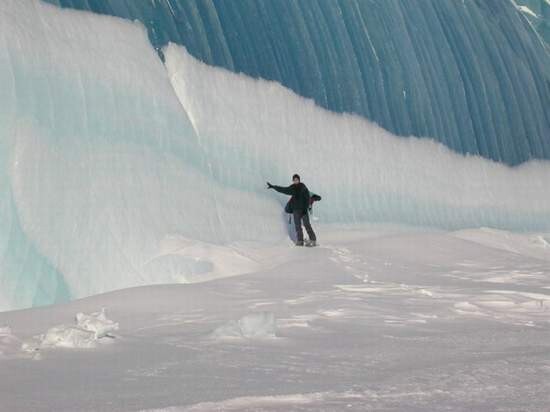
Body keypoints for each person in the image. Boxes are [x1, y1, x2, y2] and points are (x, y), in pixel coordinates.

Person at [267, 174, 317, 246]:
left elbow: (307, 199)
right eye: (294, 180)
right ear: (293, 181)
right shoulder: (292, 188)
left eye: (297, 179)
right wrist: (273, 187)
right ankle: (300, 241)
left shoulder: (303, 188)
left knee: (307, 225)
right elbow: (283, 190)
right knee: (297, 226)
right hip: (296, 210)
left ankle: (313, 239)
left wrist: (305, 209)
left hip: (303, 210)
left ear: (299, 180)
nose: (295, 181)